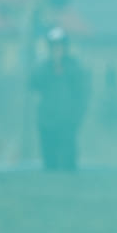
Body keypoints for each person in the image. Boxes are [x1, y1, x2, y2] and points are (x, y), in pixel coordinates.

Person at [28, 27, 90, 171]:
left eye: (60, 46)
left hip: (67, 120)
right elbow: (33, 84)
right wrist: (50, 67)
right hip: (47, 119)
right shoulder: (43, 67)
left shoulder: (74, 67)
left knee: (68, 159)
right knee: (49, 159)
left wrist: (77, 116)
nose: (57, 49)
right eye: (54, 46)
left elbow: (81, 92)